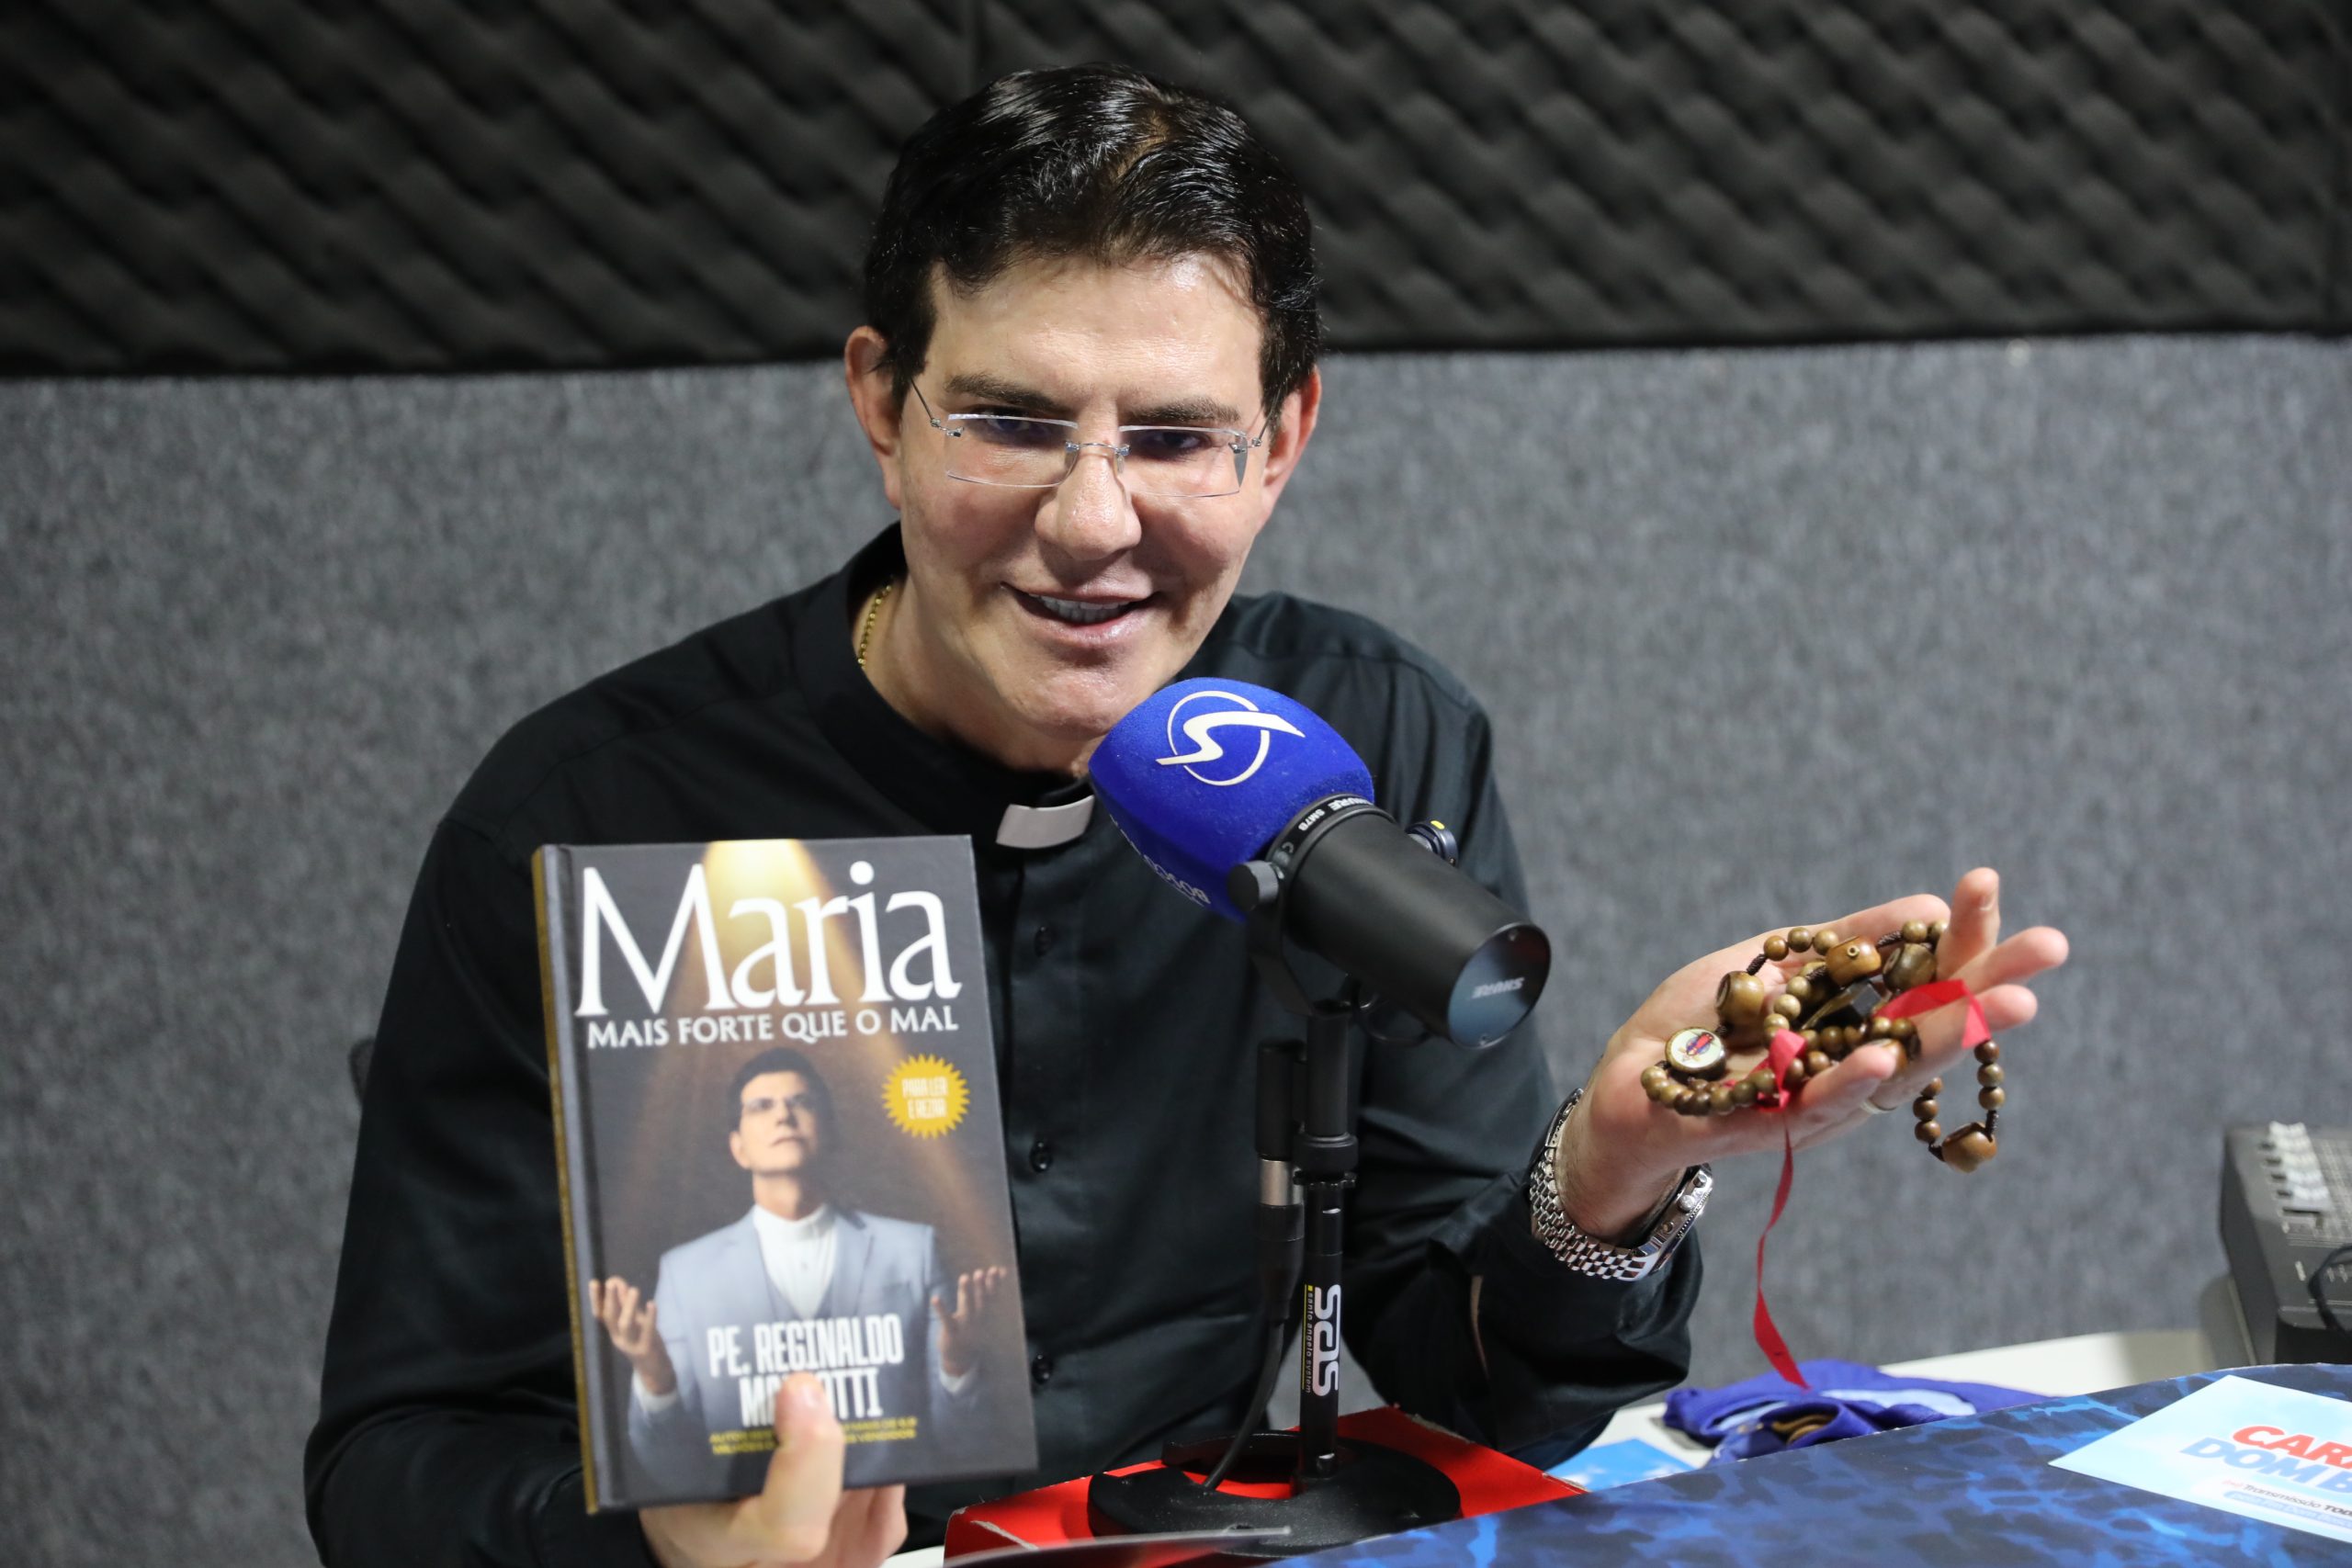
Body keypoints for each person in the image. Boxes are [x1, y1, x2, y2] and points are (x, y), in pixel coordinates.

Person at [305, 62, 2067, 1568]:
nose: (1093, 522)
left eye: (1173, 437)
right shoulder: (593, 815)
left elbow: (1472, 1380)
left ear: (1281, 440)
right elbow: (395, 1460)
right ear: (879, 404)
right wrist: (658, 1545)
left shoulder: (1373, 737)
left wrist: (1613, 1169)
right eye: (1011, 421)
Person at [589, 1049, 1008, 1495]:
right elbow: (676, 1471)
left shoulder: (913, 1250)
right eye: (761, 1106)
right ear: (738, 1148)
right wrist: (656, 1380)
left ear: (828, 1129)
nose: (783, 1116)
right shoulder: (685, 1273)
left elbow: (964, 1443)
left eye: (801, 1102)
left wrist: (958, 1366)